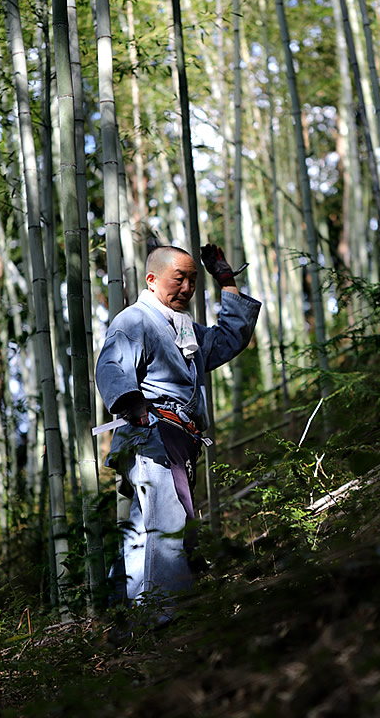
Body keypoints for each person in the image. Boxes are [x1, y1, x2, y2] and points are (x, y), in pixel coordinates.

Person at [95, 243, 260, 623]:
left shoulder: (183, 328)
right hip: (153, 437)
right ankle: (162, 620)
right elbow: (111, 367)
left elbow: (230, 338)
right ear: (152, 280)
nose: (186, 287)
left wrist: (226, 280)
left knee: (146, 527)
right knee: (166, 525)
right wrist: (134, 408)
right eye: (178, 278)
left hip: (178, 440)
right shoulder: (135, 320)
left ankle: (122, 617)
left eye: (192, 279)